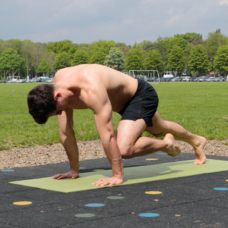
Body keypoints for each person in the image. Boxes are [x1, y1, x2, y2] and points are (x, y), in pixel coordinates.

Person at [27, 64, 207, 187]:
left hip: (140, 95)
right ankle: (197, 141)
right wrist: (74, 170)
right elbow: (66, 132)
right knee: (159, 128)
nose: (59, 114)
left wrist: (117, 175)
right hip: (120, 103)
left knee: (123, 149)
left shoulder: (91, 90)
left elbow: (107, 135)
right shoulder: (59, 82)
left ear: (57, 96)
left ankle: (167, 145)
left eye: (57, 110)